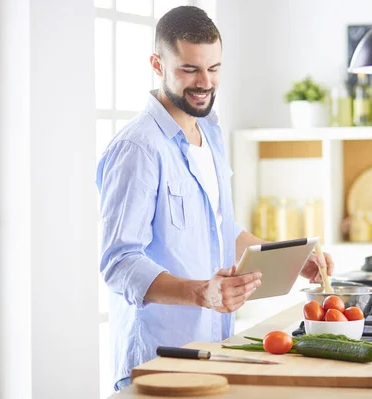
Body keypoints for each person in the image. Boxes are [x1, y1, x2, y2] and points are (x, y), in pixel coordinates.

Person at [96, 6, 334, 391]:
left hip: (213, 352)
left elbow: (223, 231)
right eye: (190, 69)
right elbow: (119, 263)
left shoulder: (211, 132)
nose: (205, 82)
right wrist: (201, 293)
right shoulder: (138, 148)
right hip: (159, 361)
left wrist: (291, 257)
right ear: (158, 64)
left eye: (214, 68)